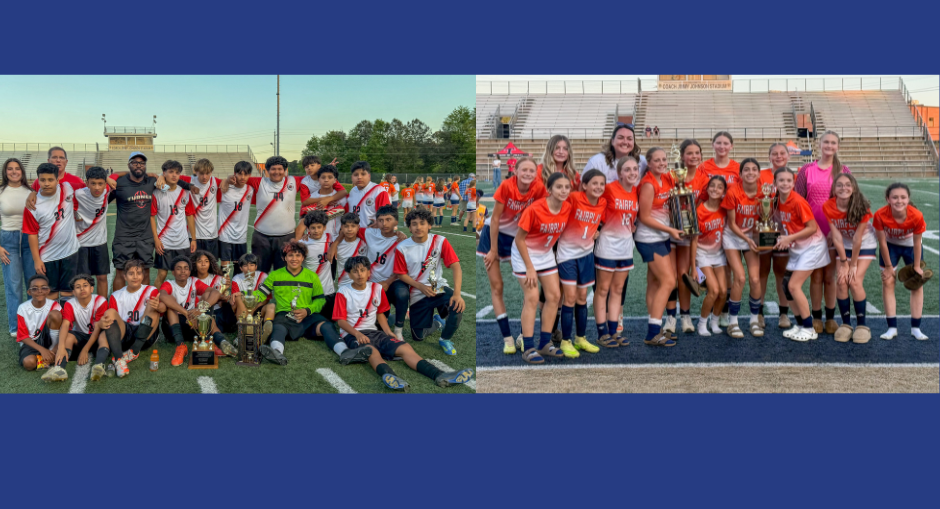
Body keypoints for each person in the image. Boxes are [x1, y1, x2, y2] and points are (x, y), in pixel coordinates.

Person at [334, 256, 473, 390]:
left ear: (369, 272)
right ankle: (391, 377)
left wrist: (388, 332)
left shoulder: (376, 288)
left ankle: (439, 375)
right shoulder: (343, 292)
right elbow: (340, 321)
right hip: (353, 334)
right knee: (372, 352)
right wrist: (357, 334)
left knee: (405, 348)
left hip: (375, 332)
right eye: (355, 271)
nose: (359, 274)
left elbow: (380, 313)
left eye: (362, 270)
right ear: (349, 275)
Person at [478, 158, 546, 353]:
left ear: (536, 173)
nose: (527, 173)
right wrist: (493, 250)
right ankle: (507, 338)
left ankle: (524, 335)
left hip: (519, 239)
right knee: (497, 286)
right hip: (494, 236)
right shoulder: (507, 186)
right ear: (515, 170)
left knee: (529, 286)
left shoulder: (539, 188)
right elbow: (496, 219)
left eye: (531, 170)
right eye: (523, 169)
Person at [108, 151, 195, 292]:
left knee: (145, 271)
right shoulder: (119, 183)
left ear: (145, 165)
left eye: (142, 163)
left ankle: (145, 303)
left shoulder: (152, 182)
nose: (138, 165)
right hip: (123, 236)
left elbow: (173, 182)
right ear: (129, 165)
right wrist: (109, 177)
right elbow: (103, 201)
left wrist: (160, 175)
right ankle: (118, 304)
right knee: (120, 272)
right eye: (135, 162)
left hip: (145, 236)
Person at [246, 240, 340, 366]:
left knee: (327, 326)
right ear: (284, 258)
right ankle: (276, 352)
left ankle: (344, 352)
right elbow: (261, 294)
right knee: (277, 327)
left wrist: (307, 311)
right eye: (290, 255)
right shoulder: (275, 275)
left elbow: (320, 300)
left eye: (297, 255)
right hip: (285, 315)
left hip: (307, 315)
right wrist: (245, 295)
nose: (294, 259)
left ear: (303, 258)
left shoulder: (312, 276)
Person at [796, 130, 851, 335]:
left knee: (830, 276)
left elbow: (849, 201)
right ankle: (816, 316)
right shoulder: (806, 170)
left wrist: (838, 228)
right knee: (816, 276)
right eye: (826, 142)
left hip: (834, 231)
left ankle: (830, 317)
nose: (829, 146)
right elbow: (798, 200)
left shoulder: (843, 170)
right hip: (811, 230)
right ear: (819, 144)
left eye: (833, 143)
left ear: (837, 146)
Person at [512, 172, 570, 363]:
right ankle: (528, 347)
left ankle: (545, 343)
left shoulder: (567, 207)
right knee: (533, 297)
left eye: (566, 187)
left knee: (554, 296)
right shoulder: (535, 209)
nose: (563, 190)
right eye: (559, 187)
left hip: (545, 255)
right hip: (524, 254)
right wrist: (529, 267)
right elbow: (520, 239)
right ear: (549, 190)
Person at [395, 207, 464, 355]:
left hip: (436, 285)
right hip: (417, 291)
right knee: (418, 337)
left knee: (456, 306)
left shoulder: (440, 241)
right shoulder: (402, 247)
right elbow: (401, 274)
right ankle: (438, 321)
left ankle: (445, 339)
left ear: (429, 225)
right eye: (414, 224)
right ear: (409, 227)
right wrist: (420, 286)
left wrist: (457, 293)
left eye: (422, 223)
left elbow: (456, 266)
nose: (418, 227)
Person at [773, 167, 830, 342]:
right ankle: (800, 324)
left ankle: (809, 328)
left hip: (812, 246)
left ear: (793, 182)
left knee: (793, 286)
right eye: (781, 180)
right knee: (785, 285)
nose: (785, 183)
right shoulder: (778, 200)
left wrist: (789, 237)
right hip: (799, 246)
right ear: (775, 183)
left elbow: (811, 227)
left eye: (788, 180)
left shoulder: (797, 201)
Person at [555, 169, 606, 356]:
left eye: (602, 184)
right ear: (584, 185)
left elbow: (601, 220)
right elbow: (557, 211)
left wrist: (597, 230)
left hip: (587, 255)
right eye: (594, 183)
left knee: (582, 297)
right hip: (567, 255)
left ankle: (580, 338)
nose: (598, 187)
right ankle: (566, 341)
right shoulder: (574, 198)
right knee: (569, 298)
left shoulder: (603, 202)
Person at [636, 147, 681, 347]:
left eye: (664, 159)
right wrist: (670, 230)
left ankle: (656, 326)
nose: (662, 163)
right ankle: (653, 332)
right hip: (649, 238)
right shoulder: (648, 184)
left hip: (661, 235)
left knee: (654, 282)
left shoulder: (667, 178)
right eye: (657, 160)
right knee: (669, 281)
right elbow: (644, 217)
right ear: (649, 162)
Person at [824, 174, 877, 343]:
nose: (843, 188)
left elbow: (857, 239)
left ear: (853, 188)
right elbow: (837, 237)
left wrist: (852, 265)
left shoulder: (863, 207)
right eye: (839, 185)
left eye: (847, 185)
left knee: (854, 281)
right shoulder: (828, 206)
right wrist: (843, 262)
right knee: (841, 280)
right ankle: (846, 324)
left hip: (864, 244)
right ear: (834, 189)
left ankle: (862, 325)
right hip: (843, 245)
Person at [90, 259, 163, 380]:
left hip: (146, 335)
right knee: (109, 313)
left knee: (152, 306)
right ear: (124, 276)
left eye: (139, 273)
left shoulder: (151, 290)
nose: (135, 277)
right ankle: (118, 360)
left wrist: (159, 306)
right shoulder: (116, 295)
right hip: (125, 334)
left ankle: (134, 351)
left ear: (143, 275)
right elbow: (112, 322)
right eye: (131, 273)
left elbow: (160, 310)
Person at [665, 139, 710, 334]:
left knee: (684, 275)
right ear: (682, 156)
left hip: (688, 233)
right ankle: (670, 318)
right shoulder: (670, 176)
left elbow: (705, 204)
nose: (693, 157)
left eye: (696, 153)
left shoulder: (704, 178)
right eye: (689, 153)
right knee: (670, 277)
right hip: (669, 230)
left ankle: (685, 316)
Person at [593, 157, 639, 348]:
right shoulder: (610, 188)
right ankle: (602, 332)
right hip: (608, 244)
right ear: (619, 173)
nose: (632, 173)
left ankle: (614, 331)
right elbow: (596, 208)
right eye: (627, 170)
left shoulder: (636, 191)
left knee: (618, 290)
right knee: (603, 289)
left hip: (626, 245)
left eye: (635, 169)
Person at [874, 183, 928, 340]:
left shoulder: (916, 215)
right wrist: (889, 267)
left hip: (911, 246)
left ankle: (916, 328)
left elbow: (917, 242)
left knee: (917, 284)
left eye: (903, 197)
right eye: (895, 197)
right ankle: (891, 327)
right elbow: (882, 242)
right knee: (888, 281)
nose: (899, 201)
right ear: (888, 199)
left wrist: (917, 266)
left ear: (908, 199)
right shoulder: (880, 214)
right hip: (890, 246)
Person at [696, 131, 740, 324]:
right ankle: (709, 302)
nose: (722, 147)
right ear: (712, 144)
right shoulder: (704, 166)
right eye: (718, 143)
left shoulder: (737, 168)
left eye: (726, 143)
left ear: (731, 146)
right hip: (708, 216)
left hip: (728, 218)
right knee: (710, 271)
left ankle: (722, 310)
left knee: (728, 267)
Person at [158, 255, 232, 367]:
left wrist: (200, 309)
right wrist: (186, 313)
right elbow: (162, 296)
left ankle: (218, 342)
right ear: (173, 272)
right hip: (173, 327)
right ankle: (180, 346)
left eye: (186, 268)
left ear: (189, 270)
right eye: (179, 268)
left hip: (193, 324)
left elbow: (215, 292)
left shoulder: (193, 281)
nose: (183, 271)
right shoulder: (169, 284)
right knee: (169, 305)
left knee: (207, 297)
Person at [23, 163, 81, 303]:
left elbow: (91, 185)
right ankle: (53, 324)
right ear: (38, 181)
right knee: (51, 293)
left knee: (69, 292)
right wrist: (37, 260)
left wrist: (110, 178)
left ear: (58, 180)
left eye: (50, 180)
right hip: (48, 257)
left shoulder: (67, 188)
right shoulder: (32, 206)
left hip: (70, 253)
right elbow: (32, 234)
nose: (47, 183)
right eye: (43, 180)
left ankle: (67, 323)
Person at [721, 158, 765, 338]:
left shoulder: (764, 192)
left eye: (754, 169)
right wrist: (746, 238)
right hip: (734, 236)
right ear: (740, 174)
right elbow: (731, 224)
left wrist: (761, 236)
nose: (750, 173)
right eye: (746, 169)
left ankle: (754, 320)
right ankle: (733, 322)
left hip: (751, 237)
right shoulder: (733, 192)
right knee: (739, 278)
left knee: (755, 279)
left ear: (759, 173)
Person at [42, 274, 108, 382]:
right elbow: (65, 325)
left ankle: (99, 366)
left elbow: (98, 328)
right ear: (73, 292)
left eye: (85, 285)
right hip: (81, 337)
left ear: (92, 289)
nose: (82, 288)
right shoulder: (70, 303)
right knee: (68, 336)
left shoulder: (100, 301)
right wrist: (61, 347)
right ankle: (60, 369)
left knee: (104, 335)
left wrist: (85, 350)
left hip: (97, 337)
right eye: (77, 287)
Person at [241, 156, 301, 273]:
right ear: (267, 171)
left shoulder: (294, 181)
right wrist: (226, 181)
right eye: (273, 169)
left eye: (280, 169)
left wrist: (328, 168)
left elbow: (316, 178)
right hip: (261, 238)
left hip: (287, 238)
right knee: (259, 273)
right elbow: (237, 179)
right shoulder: (259, 182)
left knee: (284, 273)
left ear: (285, 171)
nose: (277, 172)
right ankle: (260, 292)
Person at [362, 205, 410, 341]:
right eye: (381, 220)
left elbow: (402, 268)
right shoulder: (369, 233)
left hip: (393, 281)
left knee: (402, 293)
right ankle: (389, 316)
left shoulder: (402, 241)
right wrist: (334, 246)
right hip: (373, 282)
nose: (384, 224)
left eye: (389, 220)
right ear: (376, 221)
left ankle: (399, 330)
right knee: (374, 327)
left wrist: (387, 282)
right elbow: (347, 229)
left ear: (396, 222)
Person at [0, 158, 35, 337]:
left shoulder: (31, 191)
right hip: (8, 241)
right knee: (13, 285)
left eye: (17, 169)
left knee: (32, 283)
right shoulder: (1, 192)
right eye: (9, 169)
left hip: (30, 239)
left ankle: (33, 323)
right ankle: (15, 326)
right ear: (5, 172)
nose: (14, 172)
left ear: (22, 171)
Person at [690, 176, 729, 336]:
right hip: (703, 253)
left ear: (724, 191)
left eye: (719, 187)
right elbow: (693, 241)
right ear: (707, 189)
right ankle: (702, 323)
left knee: (723, 292)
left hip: (719, 254)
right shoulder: (699, 211)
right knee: (713, 290)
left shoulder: (725, 208)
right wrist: (693, 267)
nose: (715, 189)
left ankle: (714, 322)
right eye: (712, 186)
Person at [759, 143, 792, 329]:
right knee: (762, 272)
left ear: (788, 156)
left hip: (785, 233)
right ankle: (760, 314)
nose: (778, 156)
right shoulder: (761, 175)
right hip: (763, 231)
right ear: (769, 156)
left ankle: (783, 314)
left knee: (782, 273)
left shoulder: (792, 176)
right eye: (774, 154)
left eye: (782, 153)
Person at [150, 160, 197, 289]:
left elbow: (190, 216)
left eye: (177, 172)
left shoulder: (185, 192)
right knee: (162, 274)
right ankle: (156, 302)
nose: (174, 175)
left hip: (182, 242)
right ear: (164, 173)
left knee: (185, 274)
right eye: (171, 172)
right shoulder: (156, 193)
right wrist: (156, 240)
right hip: (165, 242)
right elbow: (151, 217)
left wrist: (193, 239)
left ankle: (185, 301)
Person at [73, 166, 112, 297]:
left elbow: (120, 175)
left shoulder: (107, 191)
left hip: (100, 243)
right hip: (81, 245)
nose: (97, 187)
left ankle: (102, 309)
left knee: (102, 278)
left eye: (100, 183)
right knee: (83, 281)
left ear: (105, 184)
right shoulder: (78, 194)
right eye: (93, 183)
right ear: (87, 183)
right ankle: (85, 311)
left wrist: (111, 178)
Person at [15, 274, 63, 373]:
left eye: (44, 288)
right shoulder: (23, 308)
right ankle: (48, 359)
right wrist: (42, 350)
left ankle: (52, 353)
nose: (40, 291)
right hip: (32, 343)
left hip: (51, 340)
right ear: (29, 292)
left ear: (48, 290)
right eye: (35, 288)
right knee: (29, 363)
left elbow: (63, 330)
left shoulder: (55, 305)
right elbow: (23, 336)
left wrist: (53, 349)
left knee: (55, 314)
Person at [217, 161, 255, 273]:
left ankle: (236, 290)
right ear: (235, 174)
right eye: (240, 174)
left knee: (239, 267)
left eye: (246, 174)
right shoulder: (224, 189)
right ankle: (223, 290)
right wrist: (226, 180)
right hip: (225, 235)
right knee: (225, 267)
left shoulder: (250, 190)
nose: (243, 177)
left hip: (241, 236)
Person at [180, 158, 222, 258]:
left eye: (207, 173)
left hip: (212, 235)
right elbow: (168, 176)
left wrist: (227, 181)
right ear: (196, 171)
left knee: (211, 268)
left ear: (211, 172)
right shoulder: (189, 180)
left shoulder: (215, 181)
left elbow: (230, 182)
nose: (204, 177)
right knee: (193, 267)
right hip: (194, 236)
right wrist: (160, 178)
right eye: (201, 173)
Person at [583, 124, 648, 187]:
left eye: (629, 139)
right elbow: (583, 187)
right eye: (621, 138)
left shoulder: (642, 162)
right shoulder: (597, 161)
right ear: (612, 141)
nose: (625, 142)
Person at [298, 211, 336, 316]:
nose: (316, 231)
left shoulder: (330, 238)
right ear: (308, 229)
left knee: (329, 322)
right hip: (310, 292)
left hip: (328, 291)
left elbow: (343, 235)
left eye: (319, 227)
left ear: (324, 227)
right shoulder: (302, 244)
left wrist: (334, 245)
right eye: (313, 228)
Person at [191, 249, 233, 333]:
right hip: (198, 312)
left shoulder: (219, 279)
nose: (203, 264)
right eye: (200, 262)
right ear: (194, 264)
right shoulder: (190, 281)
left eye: (206, 261)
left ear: (210, 263)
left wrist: (224, 296)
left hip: (217, 312)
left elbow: (222, 303)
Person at [330, 213, 368, 289]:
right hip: (343, 286)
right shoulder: (336, 245)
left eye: (353, 226)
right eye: (346, 226)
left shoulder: (365, 242)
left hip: (362, 285)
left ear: (358, 228)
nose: (349, 229)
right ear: (342, 228)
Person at [347, 161, 391, 228]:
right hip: (355, 235)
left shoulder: (379, 191)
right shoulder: (353, 191)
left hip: (372, 234)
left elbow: (387, 216)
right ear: (351, 177)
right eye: (356, 175)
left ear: (369, 176)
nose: (359, 177)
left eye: (363, 174)